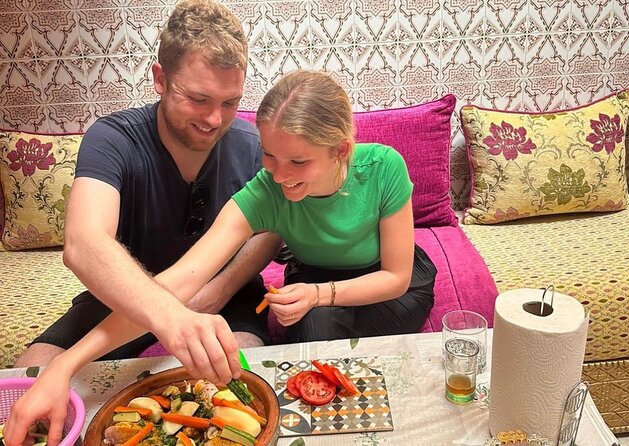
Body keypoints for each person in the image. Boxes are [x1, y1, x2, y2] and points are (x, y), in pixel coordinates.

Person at [4, 69, 436, 445]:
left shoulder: (383, 167)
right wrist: (66, 364)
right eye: (268, 155)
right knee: (316, 352)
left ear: (340, 151)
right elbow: (170, 288)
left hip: (389, 283)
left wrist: (319, 294)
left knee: (365, 364)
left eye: (298, 161)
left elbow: (396, 277)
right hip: (313, 277)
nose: (280, 175)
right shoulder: (266, 191)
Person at [12, 0, 280, 420]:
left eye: (229, 102)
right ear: (160, 78)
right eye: (198, 99)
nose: (215, 119)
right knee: (29, 377)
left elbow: (271, 230)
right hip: (123, 294)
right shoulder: (112, 139)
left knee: (234, 397)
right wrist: (171, 314)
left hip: (226, 296)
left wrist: (223, 287)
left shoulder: (251, 144)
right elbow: (84, 243)